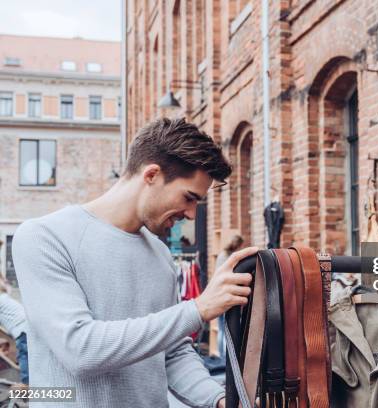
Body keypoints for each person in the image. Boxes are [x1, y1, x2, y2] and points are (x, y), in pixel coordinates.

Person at [12, 118, 257, 408]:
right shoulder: (43, 237)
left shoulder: (160, 253)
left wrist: (221, 400)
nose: (192, 214)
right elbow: (80, 349)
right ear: (151, 174)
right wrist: (197, 309)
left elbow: (172, 352)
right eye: (189, 198)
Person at [215, 235, 244, 360]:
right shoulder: (231, 258)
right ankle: (226, 358)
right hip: (226, 296)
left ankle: (222, 357)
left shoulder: (222, 255)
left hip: (218, 295)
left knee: (222, 328)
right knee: (227, 330)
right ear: (238, 245)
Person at [0, 276, 28, 384]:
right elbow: (7, 287)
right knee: (26, 354)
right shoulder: (5, 297)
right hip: (27, 327)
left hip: (21, 329)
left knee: (23, 354)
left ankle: (26, 382)